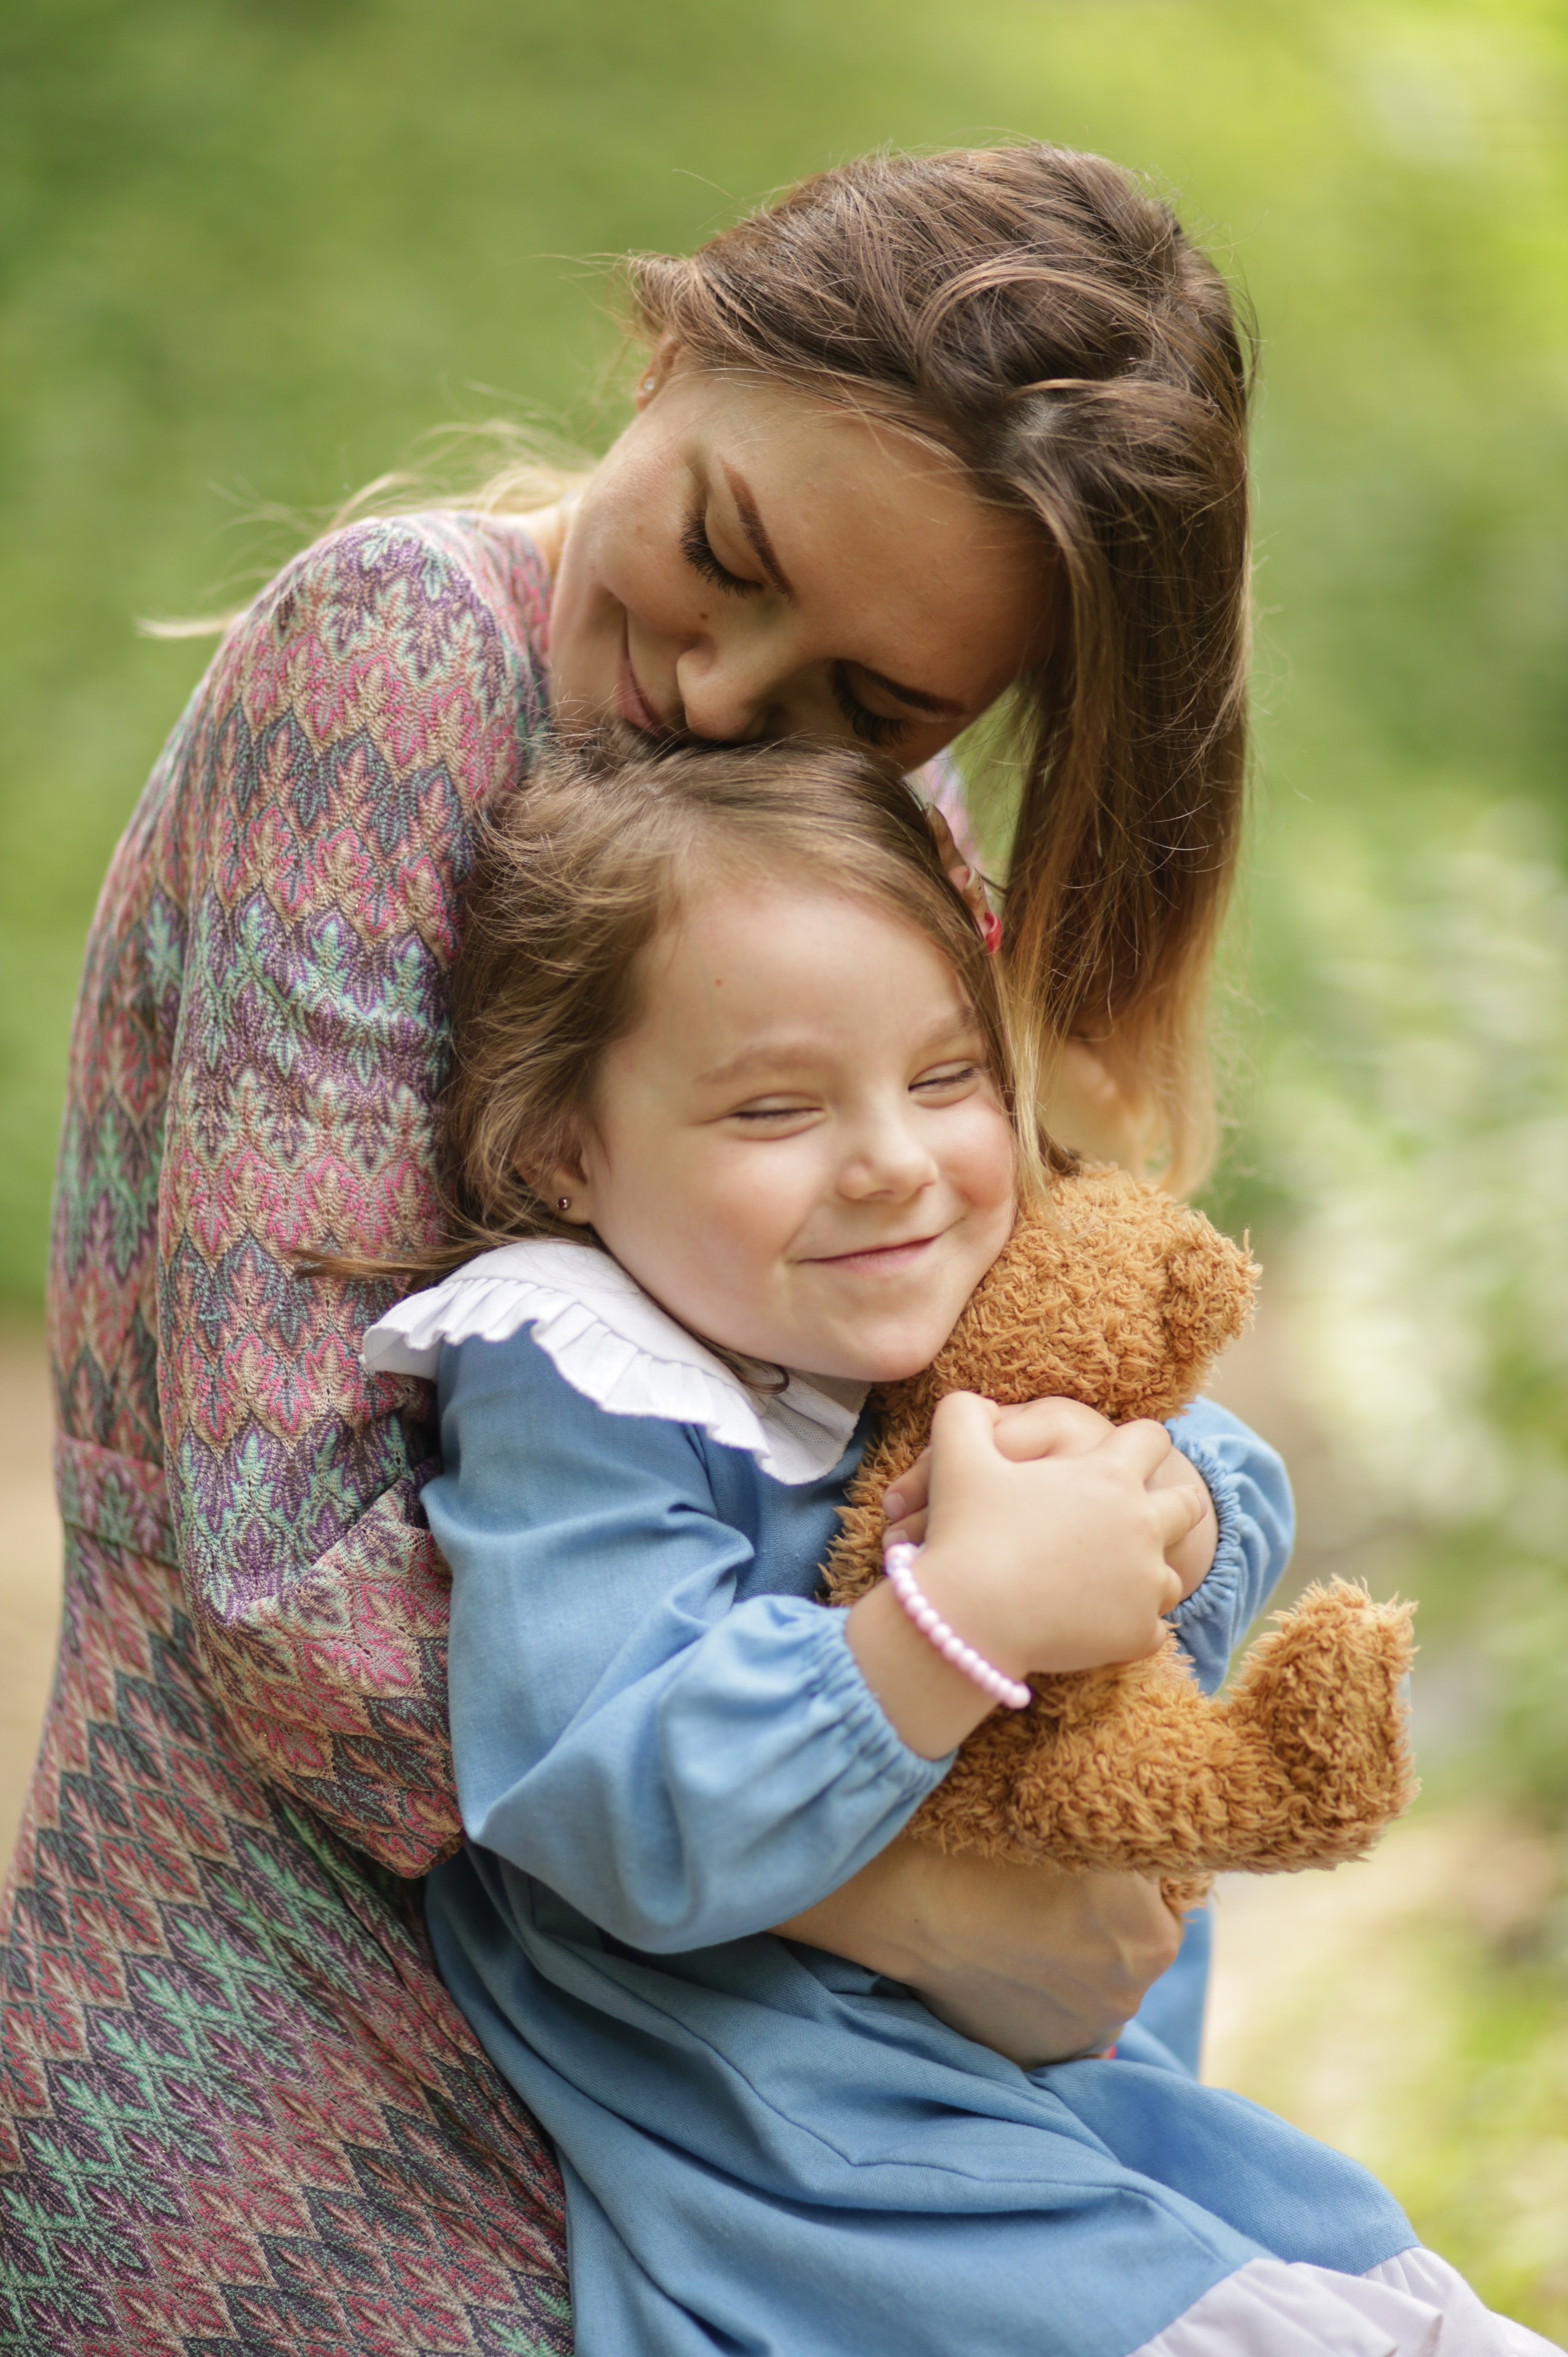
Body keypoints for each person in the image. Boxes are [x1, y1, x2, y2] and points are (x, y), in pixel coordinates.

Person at [4, 146, 1268, 2350]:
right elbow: (285, 1561)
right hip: (309, 2015)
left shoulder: (869, 831)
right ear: (677, 343)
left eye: (874, 707)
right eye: (723, 553)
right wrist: (910, 1903)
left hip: (743, 2063)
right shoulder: (403, 654)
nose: (720, 694)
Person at [363, 731, 1551, 2357]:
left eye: (944, 1079)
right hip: (836, 2174)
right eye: (775, 1104)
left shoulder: (925, 1281)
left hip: (1093, 2103)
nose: (893, 1161)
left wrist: (1166, 1505)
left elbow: (1217, 1494)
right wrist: (954, 1617)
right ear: (567, 1148)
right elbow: (609, 1792)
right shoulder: (585, 1380)